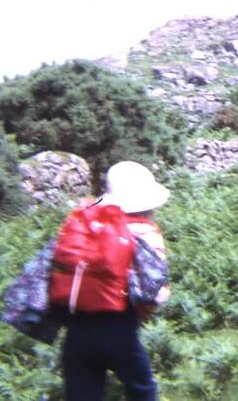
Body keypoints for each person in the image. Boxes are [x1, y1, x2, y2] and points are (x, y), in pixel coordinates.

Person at [59, 161, 171, 401]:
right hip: (118, 328)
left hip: (77, 329)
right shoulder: (145, 232)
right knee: (142, 389)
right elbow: (155, 290)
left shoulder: (84, 225)